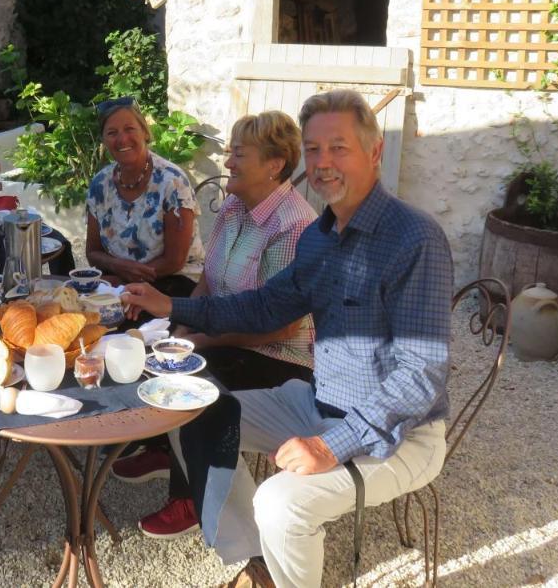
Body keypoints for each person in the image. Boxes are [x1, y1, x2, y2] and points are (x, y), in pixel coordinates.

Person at [123, 90, 453, 588]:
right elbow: (264, 306)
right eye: (315, 150)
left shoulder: (414, 238)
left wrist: (331, 445)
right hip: (321, 402)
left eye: (338, 147)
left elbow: (421, 375)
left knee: (279, 503)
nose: (323, 163)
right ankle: (259, 565)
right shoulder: (321, 236)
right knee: (186, 408)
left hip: (399, 436)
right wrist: (171, 305)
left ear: (375, 151)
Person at [114, 111, 317, 541]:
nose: (227, 163)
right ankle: (164, 447)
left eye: (238, 154)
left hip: (276, 357)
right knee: (158, 347)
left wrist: (196, 340)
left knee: (188, 375)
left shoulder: (294, 227)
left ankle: (192, 497)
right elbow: (209, 279)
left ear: (275, 163)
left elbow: (278, 327)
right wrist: (181, 324)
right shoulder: (234, 206)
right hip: (225, 332)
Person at [86, 97, 205, 298]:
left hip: (176, 281)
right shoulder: (100, 184)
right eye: (112, 133)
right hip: (120, 282)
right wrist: (116, 266)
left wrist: (126, 280)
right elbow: (92, 252)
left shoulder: (171, 182)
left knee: (116, 320)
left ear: (145, 133)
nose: (122, 139)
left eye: (129, 129)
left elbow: (174, 261)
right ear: (104, 141)